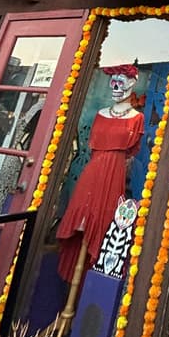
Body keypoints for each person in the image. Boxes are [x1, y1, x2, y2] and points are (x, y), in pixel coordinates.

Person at [56, 64, 144, 283]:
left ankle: (84, 291)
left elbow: (132, 152)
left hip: (114, 175)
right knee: (80, 225)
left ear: (132, 84)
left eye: (120, 81)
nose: (115, 86)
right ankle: (68, 293)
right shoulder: (100, 114)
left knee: (102, 227)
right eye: (112, 81)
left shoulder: (136, 119)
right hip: (92, 173)